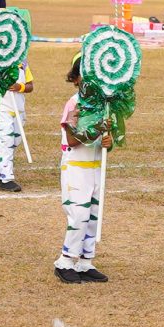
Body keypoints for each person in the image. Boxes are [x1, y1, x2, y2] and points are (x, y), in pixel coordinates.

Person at [54, 57, 114, 283]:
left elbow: (107, 139)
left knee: (92, 217)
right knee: (78, 215)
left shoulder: (104, 106)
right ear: (77, 78)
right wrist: (99, 127)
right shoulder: (74, 104)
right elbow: (72, 139)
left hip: (95, 168)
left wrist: (109, 141)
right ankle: (65, 261)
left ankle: (85, 262)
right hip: (75, 168)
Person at [0, 56, 34, 194]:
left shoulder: (22, 62)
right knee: (6, 140)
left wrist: (20, 87)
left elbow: (30, 86)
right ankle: (5, 178)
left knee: (16, 140)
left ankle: (1, 166)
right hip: (2, 109)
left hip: (18, 109)